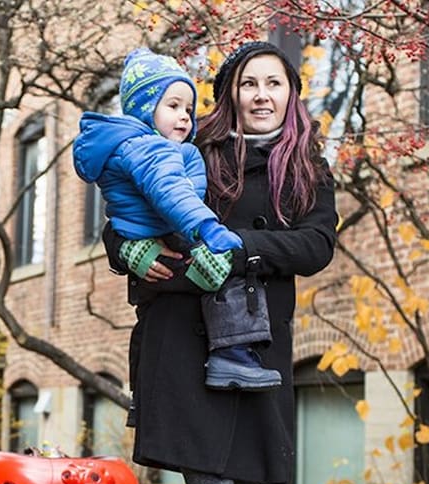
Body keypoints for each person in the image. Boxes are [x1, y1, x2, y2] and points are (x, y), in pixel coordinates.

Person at [104, 40, 338, 484]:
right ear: (228, 92)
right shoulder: (193, 149)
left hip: (260, 341)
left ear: (290, 94)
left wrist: (241, 246)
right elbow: (126, 210)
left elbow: (317, 245)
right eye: (247, 83)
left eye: (275, 83)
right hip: (188, 336)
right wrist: (131, 253)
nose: (261, 94)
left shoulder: (306, 167)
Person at [74, 48, 282, 391]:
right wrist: (207, 228)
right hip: (164, 231)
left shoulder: (149, 144)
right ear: (145, 109)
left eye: (188, 108)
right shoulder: (150, 149)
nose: (185, 117)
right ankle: (232, 354)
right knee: (225, 273)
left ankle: (232, 354)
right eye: (173, 107)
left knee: (220, 270)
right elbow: (171, 192)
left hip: (155, 229)